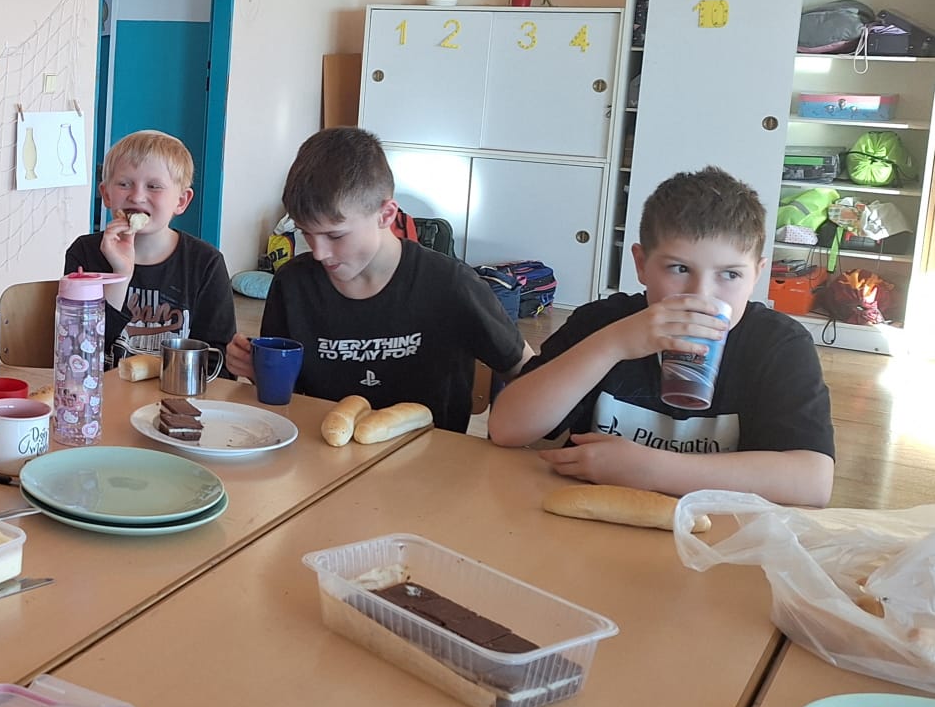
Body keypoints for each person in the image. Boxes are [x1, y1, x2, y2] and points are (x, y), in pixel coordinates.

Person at [488, 167, 835, 506]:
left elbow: (813, 481)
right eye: (679, 269)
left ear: (756, 275)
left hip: (720, 530)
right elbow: (506, 428)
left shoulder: (779, 345)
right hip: (593, 519)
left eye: (730, 274)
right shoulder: (602, 324)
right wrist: (613, 344)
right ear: (641, 264)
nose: (701, 295)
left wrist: (653, 470)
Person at [224, 127, 530, 432]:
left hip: (432, 456)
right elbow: (288, 396)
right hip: (322, 448)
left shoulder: (451, 285)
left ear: (386, 215)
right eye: (307, 233)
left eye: (335, 235)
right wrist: (257, 371)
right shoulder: (293, 284)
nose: (319, 253)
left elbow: (527, 373)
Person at [63, 130, 235, 367]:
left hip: (177, 388)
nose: (137, 196)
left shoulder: (206, 263)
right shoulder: (84, 253)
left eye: (154, 186)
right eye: (124, 184)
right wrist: (120, 274)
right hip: (101, 387)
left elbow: (219, 362)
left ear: (181, 201)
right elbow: (78, 351)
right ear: (106, 194)